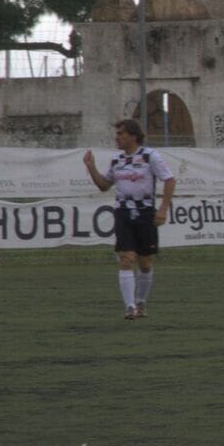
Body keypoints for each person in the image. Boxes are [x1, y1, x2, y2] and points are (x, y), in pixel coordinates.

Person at [82, 118, 176, 320]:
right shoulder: (117, 160)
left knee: (145, 264)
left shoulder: (150, 156)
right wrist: (91, 167)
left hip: (145, 213)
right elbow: (104, 185)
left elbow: (169, 179)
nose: (117, 138)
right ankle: (130, 306)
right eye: (117, 134)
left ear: (133, 136)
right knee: (126, 259)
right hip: (123, 212)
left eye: (120, 134)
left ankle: (141, 301)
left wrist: (163, 208)